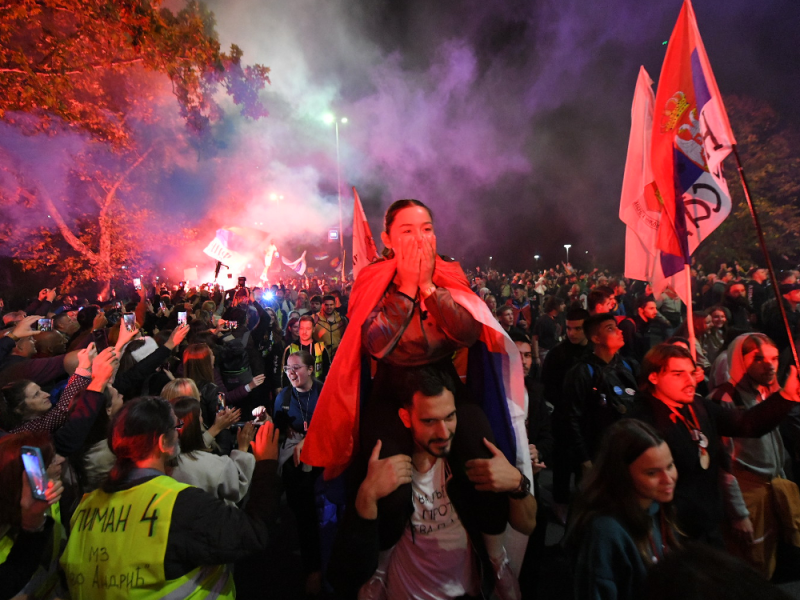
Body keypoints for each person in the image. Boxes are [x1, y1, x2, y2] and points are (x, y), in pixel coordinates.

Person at [303, 199, 532, 595]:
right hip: (394, 388)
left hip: (442, 382)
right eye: (407, 230)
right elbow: (375, 344)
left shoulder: (448, 272)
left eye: (426, 228)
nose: (419, 238)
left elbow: (467, 333)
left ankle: (496, 558)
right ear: (389, 239)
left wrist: (429, 286)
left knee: (485, 456)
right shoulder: (373, 277)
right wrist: (407, 286)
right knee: (387, 481)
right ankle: (380, 566)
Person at [328, 366, 536, 599]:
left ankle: (499, 561)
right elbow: (344, 576)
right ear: (406, 418)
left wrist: (518, 484)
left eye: (449, 417)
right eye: (429, 421)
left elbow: (528, 524)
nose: (443, 432)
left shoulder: (466, 463)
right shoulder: (382, 469)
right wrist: (366, 496)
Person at [60, 396, 283, 599]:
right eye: (176, 426)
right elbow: (253, 533)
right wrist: (266, 464)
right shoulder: (177, 504)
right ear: (163, 443)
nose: (180, 432)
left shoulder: (84, 508)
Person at [631, 343, 800, 545]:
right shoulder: (641, 422)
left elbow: (747, 424)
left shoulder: (699, 405)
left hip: (708, 522)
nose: (689, 381)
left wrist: (787, 396)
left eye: (692, 373)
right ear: (654, 377)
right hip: (671, 530)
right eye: (678, 374)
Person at [710, 333, 800, 578]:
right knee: (749, 565)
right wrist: (738, 513)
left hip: (771, 490)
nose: (769, 365)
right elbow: (723, 464)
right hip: (747, 494)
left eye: (774, 358)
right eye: (758, 358)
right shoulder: (724, 399)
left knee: (770, 559)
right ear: (739, 360)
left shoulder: (768, 393)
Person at [566, 419, 680, 600]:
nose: (668, 479)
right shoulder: (605, 531)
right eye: (652, 472)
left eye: (670, 466)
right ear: (622, 474)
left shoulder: (656, 507)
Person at [273, 351, 324, 595]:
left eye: (297, 368)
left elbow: (335, 424)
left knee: (319, 512)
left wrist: (310, 439)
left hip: (322, 459)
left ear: (311, 370)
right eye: (287, 369)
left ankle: (316, 568)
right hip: (294, 464)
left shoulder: (324, 392)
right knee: (302, 510)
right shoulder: (283, 397)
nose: (291, 373)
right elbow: (278, 430)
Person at [563, 313, 640, 477]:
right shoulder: (583, 372)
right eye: (610, 329)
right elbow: (572, 417)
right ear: (596, 338)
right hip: (598, 454)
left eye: (617, 327)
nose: (619, 331)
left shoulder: (629, 365)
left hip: (629, 451)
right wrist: (584, 458)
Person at [0, 431, 65, 600]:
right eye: (50, 460)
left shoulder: (45, 501)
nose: (61, 459)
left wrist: (33, 521)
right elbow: (12, 577)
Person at [170, 397, 257, 505]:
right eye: (200, 416)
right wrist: (243, 448)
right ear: (193, 423)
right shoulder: (210, 464)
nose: (202, 419)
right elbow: (236, 486)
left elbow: (190, 445)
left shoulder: (164, 460)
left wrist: (217, 427)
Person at [282, 315, 330, 385]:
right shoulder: (290, 349)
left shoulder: (321, 348)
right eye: (302, 328)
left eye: (308, 328)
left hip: (317, 388)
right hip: (296, 389)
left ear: (313, 329)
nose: (304, 332)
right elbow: (285, 373)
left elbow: (327, 371)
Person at [313, 295, 348, 361]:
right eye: (326, 305)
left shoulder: (342, 320)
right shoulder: (314, 319)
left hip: (338, 357)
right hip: (320, 358)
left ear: (335, 305)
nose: (329, 307)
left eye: (331, 305)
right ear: (322, 305)